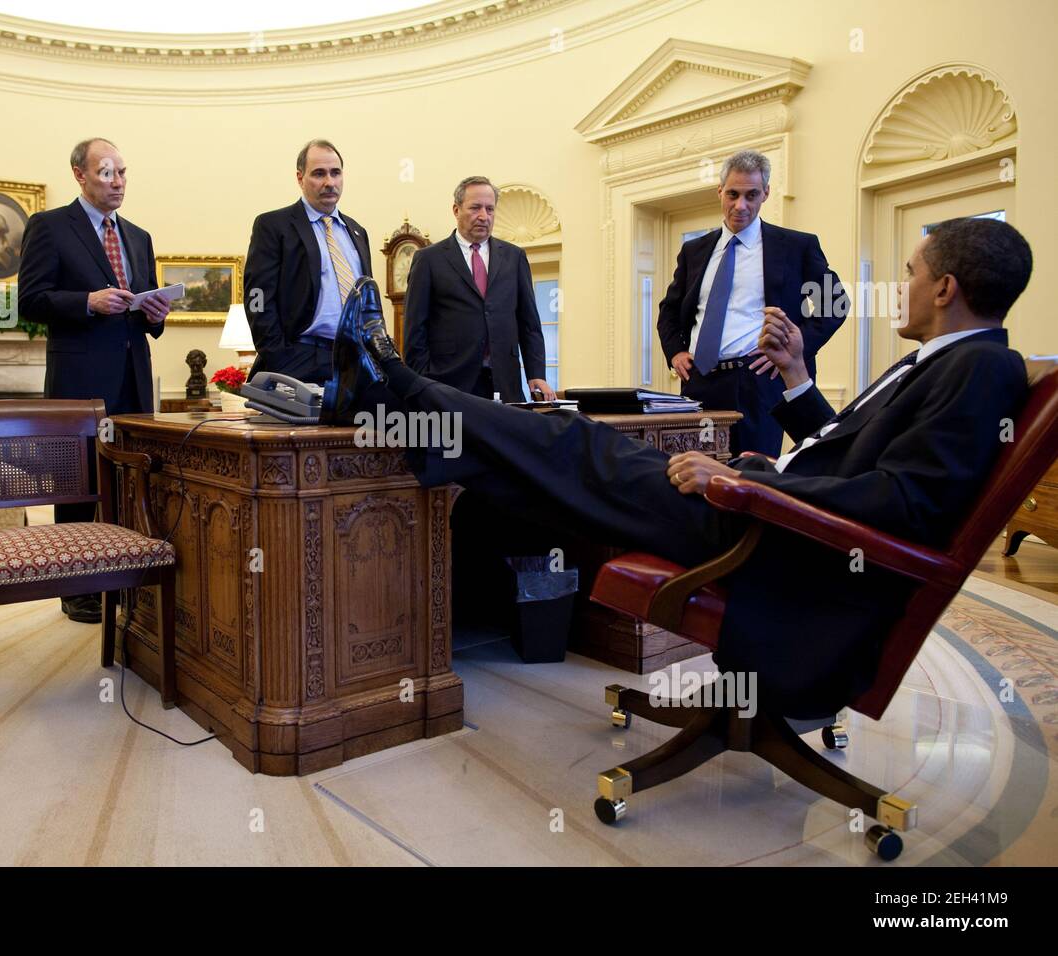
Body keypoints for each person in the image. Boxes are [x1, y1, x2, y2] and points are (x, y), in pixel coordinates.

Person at [322, 217, 1031, 718]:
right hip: (778, 520)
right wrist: (794, 381)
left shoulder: (980, 371)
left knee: (573, 446)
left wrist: (750, 484)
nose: (901, 286)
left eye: (910, 274)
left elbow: (904, 502)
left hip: (781, 548)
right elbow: (849, 450)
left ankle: (398, 389)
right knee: (550, 477)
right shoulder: (951, 361)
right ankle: (397, 405)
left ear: (944, 290)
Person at [18, 137, 170, 623]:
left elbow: (148, 319)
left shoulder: (140, 237)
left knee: (129, 474)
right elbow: (32, 300)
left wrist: (156, 312)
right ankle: (77, 587)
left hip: (132, 377)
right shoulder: (49, 227)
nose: (118, 181)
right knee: (79, 478)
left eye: (123, 172)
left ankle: (122, 575)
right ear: (79, 175)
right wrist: (87, 301)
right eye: (106, 172)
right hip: (80, 377)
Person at [657, 149, 848, 455]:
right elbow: (669, 310)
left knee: (750, 477)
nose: (740, 205)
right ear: (719, 191)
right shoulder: (693, 251)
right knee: (696, 470)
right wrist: (675, 351)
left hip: (758, 381)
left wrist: (792, 351)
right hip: (699, 384)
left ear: (766, 194)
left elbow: (835, 303)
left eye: (751, 195)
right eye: (732, 194)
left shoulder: (796, 247)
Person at [403, 175, 552, 402]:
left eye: (490, 209)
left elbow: (529, 323)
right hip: (448, 384)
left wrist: (536, 374)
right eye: (475, 208)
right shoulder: (429, 260)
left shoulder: (514, 257)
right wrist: (422, 382)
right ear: (456, 209)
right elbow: (415, 328)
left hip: (505, 383)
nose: (484, 216)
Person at [242, 139, 373, 385]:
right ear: (300, 178)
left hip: (354, 361)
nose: (329, 182)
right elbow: (256, 296)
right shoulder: (273, 226)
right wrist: (278, 355)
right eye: (319, 174)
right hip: (299, 358)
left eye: (335, 173)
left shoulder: (357, 232)